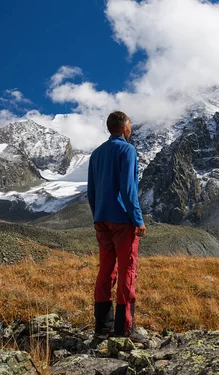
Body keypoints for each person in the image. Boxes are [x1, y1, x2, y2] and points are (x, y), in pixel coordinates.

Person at [87, 111, 147, 344]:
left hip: (101, 219)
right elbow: (128, 189)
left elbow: (91, 191)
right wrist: (138, 219)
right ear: (124, 128)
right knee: (127, 271)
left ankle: (102, 327)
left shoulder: (96, 154)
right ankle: (124, 328)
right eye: (130, 126)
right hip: (122, 220)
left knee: (105, 270)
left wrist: (97, 217)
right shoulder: (127, 150)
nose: (131, 130)